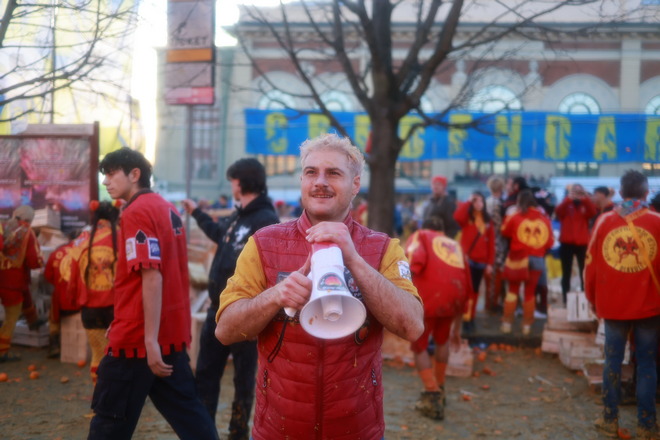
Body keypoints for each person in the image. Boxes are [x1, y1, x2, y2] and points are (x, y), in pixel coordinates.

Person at [215, 133, 424, 440]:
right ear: (302, 180)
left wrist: (355, 260)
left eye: (334, 173)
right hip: (279, 430)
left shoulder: (383, 248)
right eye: (311, 172)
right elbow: (225, 330)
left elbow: (413, 327)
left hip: (357, 429)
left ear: (355, 184)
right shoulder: (263, 243)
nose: (320, 182)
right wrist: (275, 296)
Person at [88, 147, 218, 440]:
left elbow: (152, 276)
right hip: (166, 335)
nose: (106, 181)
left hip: (139, 341)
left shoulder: (136, 211)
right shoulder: (167, 208)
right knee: (192, 419)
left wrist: (148, 339)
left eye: (111, 174)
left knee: (108, 425)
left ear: (134, 174)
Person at [182, 158, 279, 439]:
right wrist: (196, 213)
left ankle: (237, 433)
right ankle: (204, 433)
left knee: (243, 380)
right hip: (217, 310)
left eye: (232, 180)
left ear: (241, 182)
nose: (231, 186)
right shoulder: (239, 215)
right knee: (205, 375)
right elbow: (218, 233)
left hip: (247, 313)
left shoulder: (265, 219)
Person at [585, 170, 660, 440]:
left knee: (612, 361)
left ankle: (609, 419)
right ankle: (647, 425)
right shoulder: (657, 222)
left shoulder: (604, 221)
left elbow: (590, 263)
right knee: (647, 363)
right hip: (649, 305)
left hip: (613, 305)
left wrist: (592, 298)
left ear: (619, 191)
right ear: (646, 192)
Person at [404, 215, 470, 420]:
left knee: (419, 346)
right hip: (455, 297)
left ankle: (432, 394)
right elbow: (466, 280)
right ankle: (440, 387)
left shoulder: (421, 236)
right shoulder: (454, 245)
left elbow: (413, 264)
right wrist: (458, 329)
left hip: (429, 297)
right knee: (443, 341)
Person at [68, 201, 120, 383]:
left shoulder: (82, 239)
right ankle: (114, 394)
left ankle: (99, 394)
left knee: (98, 354)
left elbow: (72, 274)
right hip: (117, 308)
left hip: (89, 308)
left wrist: (73, 299)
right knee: (117, 356)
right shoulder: (122, 236)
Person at [500, 190, 554, 335]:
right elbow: (550, 242)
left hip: (518, 259)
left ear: (519, 202)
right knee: (530, 293)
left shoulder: (515, 216)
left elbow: (504, 231)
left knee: (512, 291)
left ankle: (507, 324)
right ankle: (527, 326)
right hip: (537, 258)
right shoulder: (544, 219)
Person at [0, 205, 44, 362]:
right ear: (29, 220)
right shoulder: (27, 232)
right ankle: (2, 352)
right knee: (11, 319)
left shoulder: (3, 226)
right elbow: (34, 261)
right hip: (14, 281)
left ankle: (33, 321)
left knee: (26, 297)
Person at [453, 191, 494, 331]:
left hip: (481, 261)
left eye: (481, 201)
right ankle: (466, 318)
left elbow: (491, 243)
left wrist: (490, 264)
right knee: (467, 291)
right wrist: (468, 201)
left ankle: (471, 317)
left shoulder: (488, 221)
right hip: (467, 259)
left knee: (476, 290)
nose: (479, 203)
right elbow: (457, 216)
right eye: (476, 201)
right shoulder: (467, 217)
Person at [44, 229, 85, 359]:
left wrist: (60, 285)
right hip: (80, 301)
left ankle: (54, 343)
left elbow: (48, 276)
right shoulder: (86, 252)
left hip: (60, 301)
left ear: (68, 238)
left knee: (53, 316)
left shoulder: (56, 252)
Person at [555, 183, 597, 303]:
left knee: (584, 272)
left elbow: (593, 212)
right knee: (566, 272)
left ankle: (585, 298)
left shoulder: (585, 204)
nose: (577, 194)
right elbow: (558, 212)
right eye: (575, 192)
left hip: (582, 243)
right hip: (566, 243)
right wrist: (569, 198)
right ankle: (566, 299)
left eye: (579, 192)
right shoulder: (566, 204)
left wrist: (586, 198)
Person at [485, 176, 506, 313]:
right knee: (496, 276)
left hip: (488, 241)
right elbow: (499, 226)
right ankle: (492, 304)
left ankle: (490, 303)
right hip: (498, 242)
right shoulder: (498, 203)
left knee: (490, 277)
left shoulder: (486, 201)